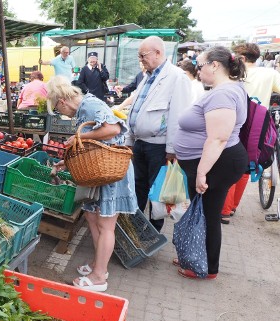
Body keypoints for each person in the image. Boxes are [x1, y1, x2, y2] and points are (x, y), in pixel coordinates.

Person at [47, 75, 138, 292]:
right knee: (91, 216)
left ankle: (100, 277)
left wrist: (82, 138)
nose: (63, 115)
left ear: (62, 102)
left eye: (59, 111)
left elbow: (114, 130)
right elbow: (93, 148)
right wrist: (65, 163)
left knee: (106, 224)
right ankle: (99, 265)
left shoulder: (90, 105)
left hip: (113, 173)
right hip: (101, 171)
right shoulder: (84, 109)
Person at [173, 46, 249, 279]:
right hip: (216, 161)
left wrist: (202, 173)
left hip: (216, 162)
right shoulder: (228, 89)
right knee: (204, 212)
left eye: (200, 65)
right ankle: (195, 254)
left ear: (214, 65)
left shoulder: (223, 94)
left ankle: (206, 267)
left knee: (208, 214)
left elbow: (218, 138)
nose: (198, 70)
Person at [125, 36, 192, 232]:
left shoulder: (177, 77)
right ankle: (134, 227)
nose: (141, 59)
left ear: (158, 53)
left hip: (159, 146)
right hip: (141, 143)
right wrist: (130, 139)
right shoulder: (147, 76)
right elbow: (135, 109)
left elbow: (178, 116)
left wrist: (172, 149)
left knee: (157, 192)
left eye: (143, 55)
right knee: (138, 187)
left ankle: (152, 231)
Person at [220, 43, 280, 224]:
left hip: (235, 120)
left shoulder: (234, 73)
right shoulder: (270, 74)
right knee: (248, 163)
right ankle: (232, 206)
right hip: (259, 124)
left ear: (243, 58)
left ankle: (224, 209)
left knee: (228, 160)